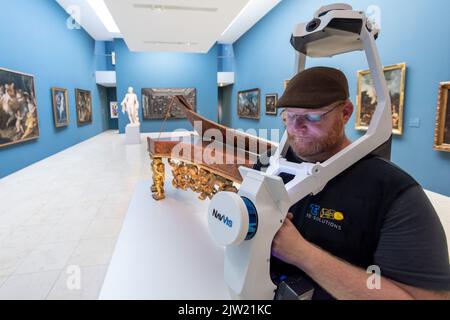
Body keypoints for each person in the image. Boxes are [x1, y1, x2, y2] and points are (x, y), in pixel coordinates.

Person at [270, 67, 450, 300]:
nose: (296, 128)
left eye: (312, 116)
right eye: (290, 116)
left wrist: (302, 253)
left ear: (345, 113)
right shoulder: (273, 165)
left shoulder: (393, 192)